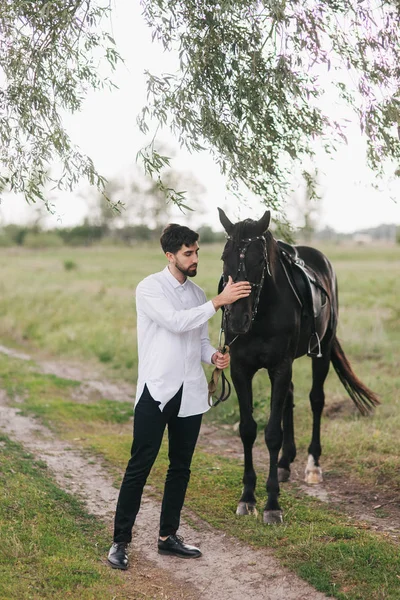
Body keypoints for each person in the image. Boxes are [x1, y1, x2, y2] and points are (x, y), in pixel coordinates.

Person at [107, 223, 251, 570]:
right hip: (157, 391)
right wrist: (219, 301)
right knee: (139, 467)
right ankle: (120, 541)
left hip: (191, 393)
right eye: (188, 253)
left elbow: (198, 339)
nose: (195, 258)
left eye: (197, 251)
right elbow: (175, 323)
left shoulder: (198, 294)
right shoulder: (149, 288)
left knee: (181, 468)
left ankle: (167, 536)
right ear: (170, 255)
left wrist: (213, 357)